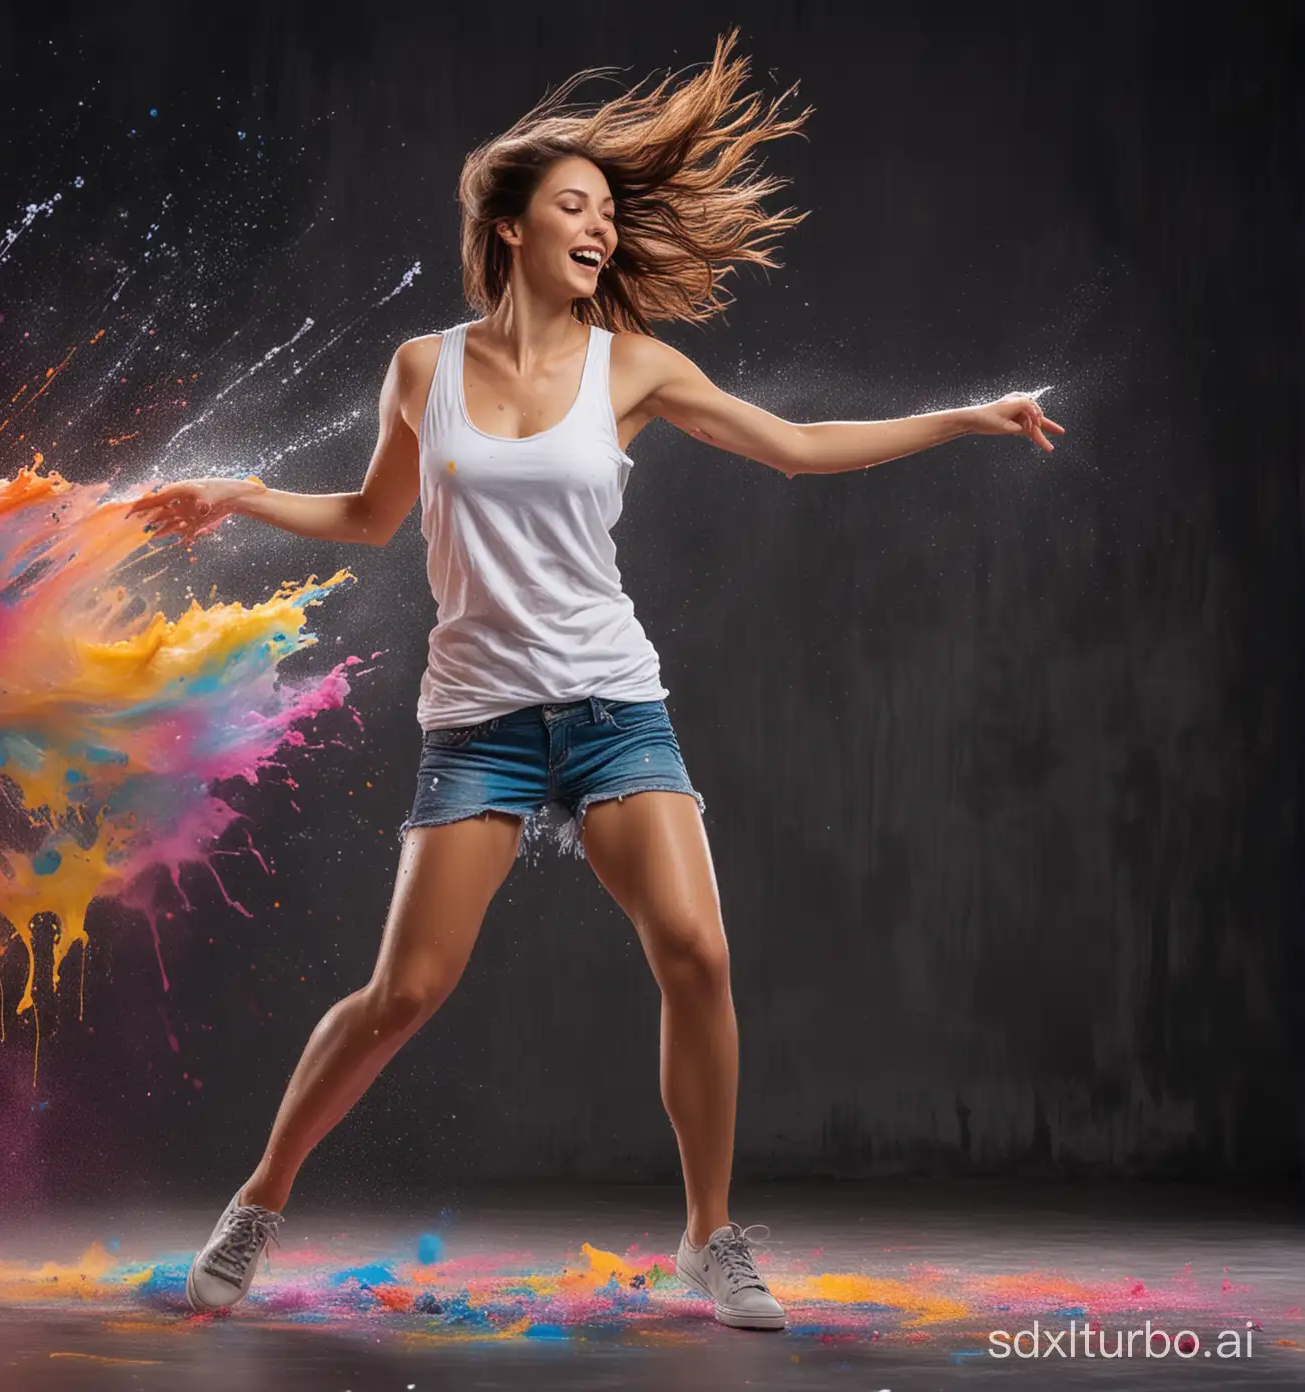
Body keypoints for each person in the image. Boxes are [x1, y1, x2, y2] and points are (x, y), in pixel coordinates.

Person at [127, 30, 1062, 1332]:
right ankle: (259, 1201)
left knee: (697, 952)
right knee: (405, 993)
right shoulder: (423, 368)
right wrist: (238, 493)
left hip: (615, 708)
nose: (601, 231)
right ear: (507, 227)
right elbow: (365, 515)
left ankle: (711, 1236)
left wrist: (965, 415)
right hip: (480, 725)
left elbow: (795, 444)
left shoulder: (637, 368)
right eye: (575, 206)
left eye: (610, 216)